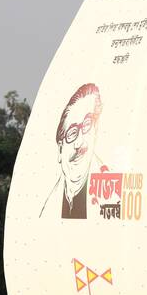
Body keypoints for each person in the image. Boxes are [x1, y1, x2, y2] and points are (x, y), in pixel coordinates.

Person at [41, 82, 101, 219]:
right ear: (60, 149)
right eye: (72, 133)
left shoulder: (109, 193)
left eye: (87, 125)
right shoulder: (48, 207)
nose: (80, 143)